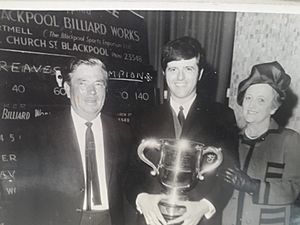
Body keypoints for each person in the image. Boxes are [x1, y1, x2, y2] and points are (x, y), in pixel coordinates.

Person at [126, 36, 239, 225]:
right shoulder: (142, 117)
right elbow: (129, 171)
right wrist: (141, 198)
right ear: (164, 73)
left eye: (188, 69)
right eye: (173, 69)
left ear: (200, 73)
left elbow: (230, 172)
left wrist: (204, 206)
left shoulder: (222, 115)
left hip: (200, 220)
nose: (180, 78)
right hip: (152, 219)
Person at [33, 56, 132, 225]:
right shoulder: (40, 133)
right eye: (82, 83)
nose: (92, 91)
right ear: (66, 88)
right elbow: (27, 195)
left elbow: (130, 183)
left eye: (98, 84)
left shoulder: (124, 132)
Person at [220, 61, 300, 225]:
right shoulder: (230, 138)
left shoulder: (289, 140)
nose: (251, 105)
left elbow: (293, 189)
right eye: (248, 98)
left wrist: (253, 186)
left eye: (261, 100)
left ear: (273, 108)